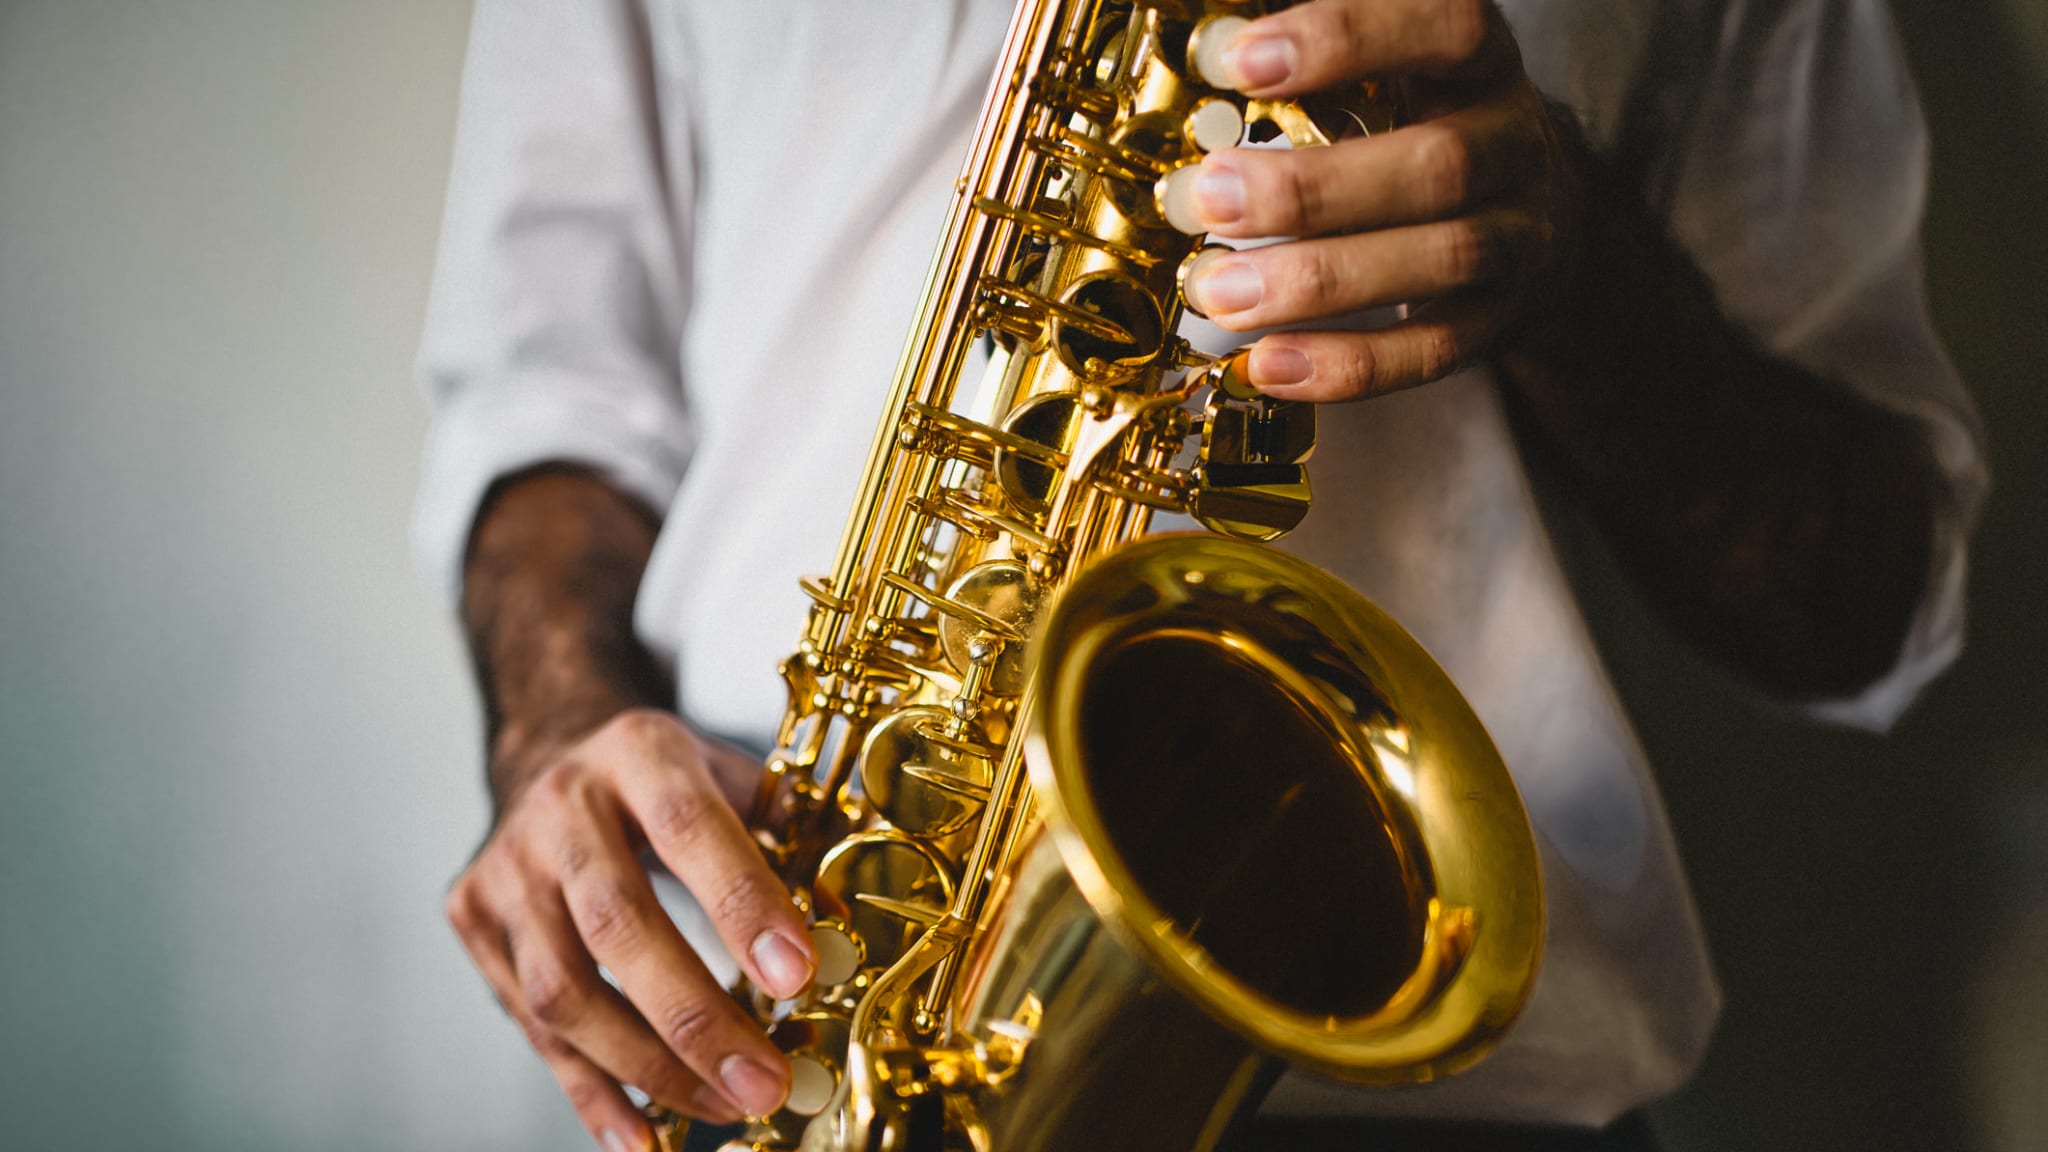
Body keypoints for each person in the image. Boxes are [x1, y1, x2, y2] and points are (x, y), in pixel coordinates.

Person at [414, 2, 1986, 1150]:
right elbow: (549, 410)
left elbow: (1869, 598)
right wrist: (555, 741)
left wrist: (1577, 271)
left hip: (1474, 1080)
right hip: (785, 1024)